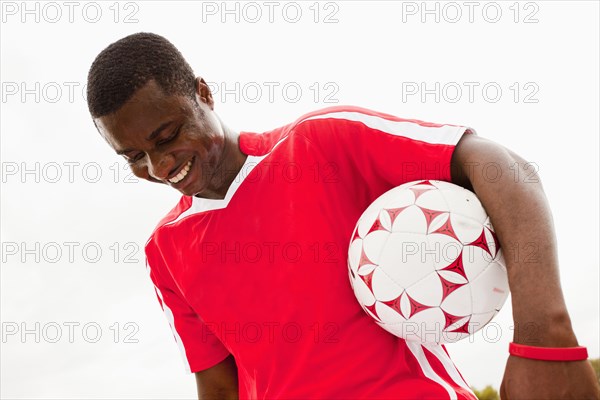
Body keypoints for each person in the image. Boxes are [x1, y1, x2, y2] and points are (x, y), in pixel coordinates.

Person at [86, 32, 599, 400]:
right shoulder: (165, 252)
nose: (158, 165)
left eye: (167, 136)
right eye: (133, 157)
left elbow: (504, 166)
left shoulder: (320, 143)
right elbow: (219, 386)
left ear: (203, 93)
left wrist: (544, 336)